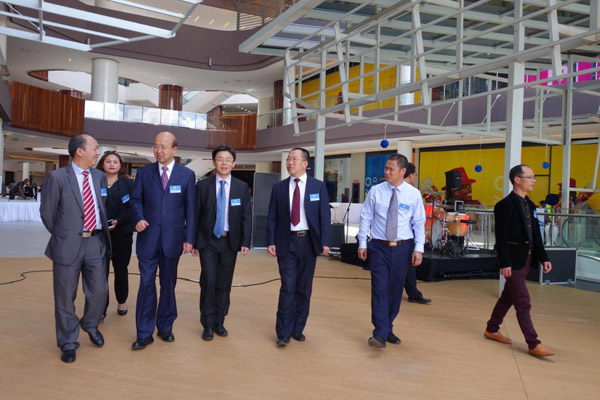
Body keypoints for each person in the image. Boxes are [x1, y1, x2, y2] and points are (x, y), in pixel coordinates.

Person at [39, 132, 111, 363]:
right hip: (67, 244)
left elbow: (101, 206)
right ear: (80, 151)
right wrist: (65, 234)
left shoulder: (99, 177)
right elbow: (48, 214)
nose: (98, 153)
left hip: (96, 243)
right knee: (64, 297)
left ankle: (89, 323)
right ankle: (68, 342)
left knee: (99, 292)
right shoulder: (57, 178)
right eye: (95, 148)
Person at [130, 132, 196, 350]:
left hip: (173, 239)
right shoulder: (144, 173)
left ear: (174, 149)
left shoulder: (187, 175)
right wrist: (138, 218)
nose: (159, 151)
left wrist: (189, 238)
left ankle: (165, 326)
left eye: (164, 147)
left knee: (168, 284)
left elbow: (191, 210)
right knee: (146, 283)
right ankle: (144, 332)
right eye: (155, 146)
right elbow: (136, 200)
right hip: (148, 238)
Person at [484, 164, 554, 358]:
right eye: (530, 177)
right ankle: (533, 343)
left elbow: (536, 235)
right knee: (523, 301)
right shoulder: (504, 205)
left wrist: (544, 258)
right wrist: (504, 262)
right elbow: (501, 236)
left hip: (527, 258)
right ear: (517, 179)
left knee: (508, 297)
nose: (533, 181)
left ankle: (492, 328)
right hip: (512, 261)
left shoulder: (530, 205)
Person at [358, 154, 426, 348]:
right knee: (379, 288)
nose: (386, 172)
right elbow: (366, 217)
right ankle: (379, 333)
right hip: (378, 247)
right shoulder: (376, 191)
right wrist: (362, 243)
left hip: (402, 248)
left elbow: (419, 223)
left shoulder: (413, 194)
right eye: (386, 168)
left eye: (391, 169)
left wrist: (418, 249)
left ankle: (387, 328)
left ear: (403, 171)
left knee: (395, 291)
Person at [267, 147, 331, 346]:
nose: (290, 163)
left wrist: (325, 242)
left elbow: (324, 216)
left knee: (303, 288)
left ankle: (297, 328)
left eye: (294, 159)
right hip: (286, 241)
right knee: (288, 287)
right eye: (288, 159)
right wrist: (271, 241)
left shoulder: (318, 186)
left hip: (308, 242)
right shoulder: (279, 188)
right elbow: (272, 217)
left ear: (305, 163)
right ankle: (283, 333)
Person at [192, 145, 252, 341]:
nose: (224, 163)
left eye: (228, 160)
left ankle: (219, 321)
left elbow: (246, 216)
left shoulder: (241, 187)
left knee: (224, 283)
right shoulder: (203, 186)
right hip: (207, 241)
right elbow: (195, 215)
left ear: (233, 163)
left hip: (230, 242)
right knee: (209, 281)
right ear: (213, 162)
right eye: (220, 159)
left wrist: (245, 241)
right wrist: (192, 241)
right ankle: (207, 324)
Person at [97, 151, 135, 317]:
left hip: (121, 234)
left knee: (121, 269)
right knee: (100, 271)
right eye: (108, 161)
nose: (112, 164)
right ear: (102, 164)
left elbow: (133, 208)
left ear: (120, 165)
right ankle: (101, 306)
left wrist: (118, 221)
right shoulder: (96, 181)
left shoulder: (128, 184)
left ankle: (122, 300)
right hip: (99, 234)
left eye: (115, 162)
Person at [403, 163, 431, 305]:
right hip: (405, 236)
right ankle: (412, 293)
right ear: (410, 174)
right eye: (415, 174)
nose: (415, 177)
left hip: (408, 236)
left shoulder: (412, 192)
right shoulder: (411, 192)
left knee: (408, 266)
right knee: (407, 265)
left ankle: (413, 293)